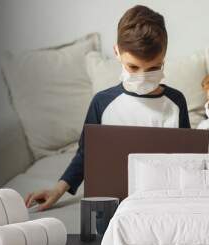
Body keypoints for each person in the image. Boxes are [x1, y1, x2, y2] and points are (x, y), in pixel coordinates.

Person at [25, 5, 190, 211]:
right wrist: (58, 190)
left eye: (153, 68)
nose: (142, 76)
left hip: (163, 201)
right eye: (133, 67)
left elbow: (187, 159)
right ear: (117, 53)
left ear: (164, 58)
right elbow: (86, 154)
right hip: (114, 202)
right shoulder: (102, 103)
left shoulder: (176, 102)